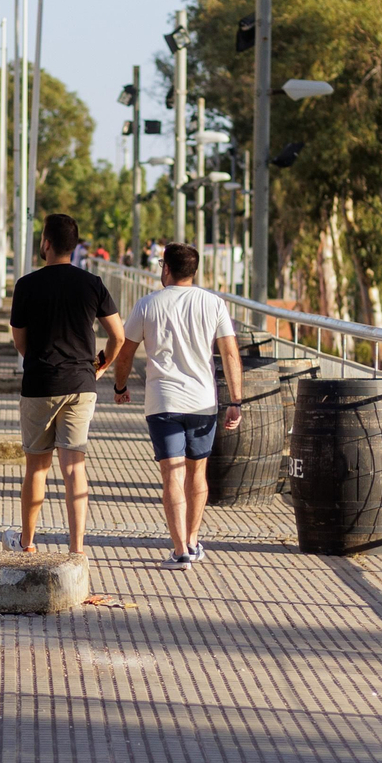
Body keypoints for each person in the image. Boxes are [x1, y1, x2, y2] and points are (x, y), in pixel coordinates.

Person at [111, 242, 243, 569]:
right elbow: (230, 354)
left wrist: (121, 386)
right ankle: (194, 540)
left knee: (171, 472)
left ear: (166, 269)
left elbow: (125, 353)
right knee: (197, 472)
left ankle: (180, 548)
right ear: (194, 271)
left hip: (163, 402)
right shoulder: (214, 303)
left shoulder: (147, 305)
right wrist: (236, 401)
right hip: (203, 403)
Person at [6, 214, 123, 555]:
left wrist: (38, 360)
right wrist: (100, 365)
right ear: (74, 245)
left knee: (37, 466)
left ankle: (27, 543)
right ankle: (76, 550)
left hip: (40, 382)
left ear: (46, 243)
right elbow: (118, 335)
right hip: (81, 383)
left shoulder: (26, 285)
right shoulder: (92, 283)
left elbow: (19, 340)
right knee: (74, 467)